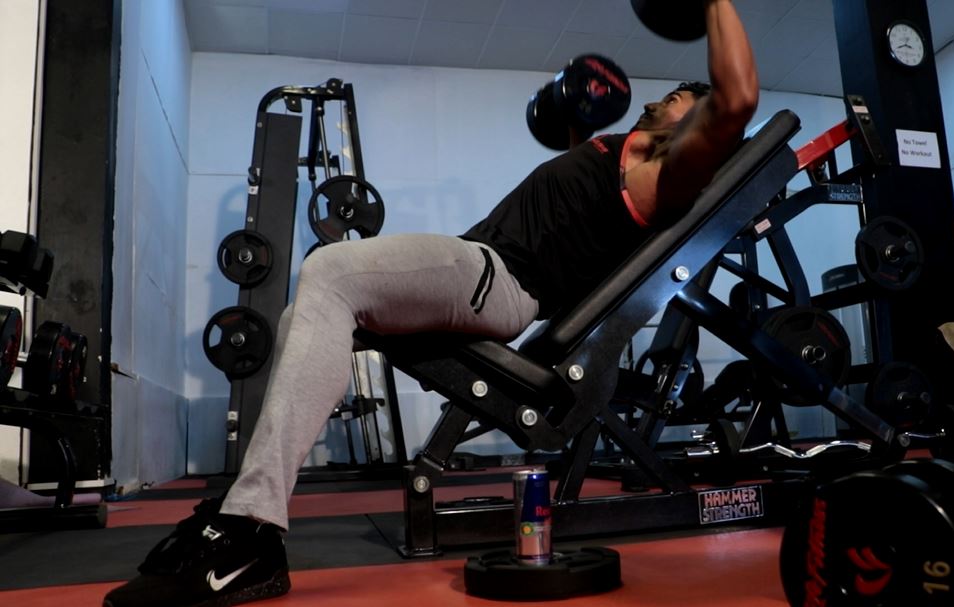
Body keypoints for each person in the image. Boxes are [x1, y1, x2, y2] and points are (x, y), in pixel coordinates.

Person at [103, 1, 757, 605]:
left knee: (329, 269)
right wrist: (572, 119)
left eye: (683, 99)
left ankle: (250, 527)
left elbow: (737, 100)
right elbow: (575, 215)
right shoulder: (615, 152)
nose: (665, 97)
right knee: (309, 312)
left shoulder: (668, 179)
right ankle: (250, 515)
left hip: (498, 280)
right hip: (481, 267)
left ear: (698, 130)